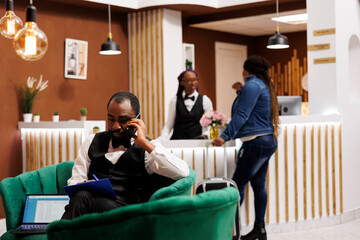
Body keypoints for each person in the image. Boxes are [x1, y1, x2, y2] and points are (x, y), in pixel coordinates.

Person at [62, 91, 189, 220]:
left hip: (128, 215)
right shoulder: (91, 141)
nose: (115, 126)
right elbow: (75, 181)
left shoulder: (147, 149)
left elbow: (182, 172)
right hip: (92, 210)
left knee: (82, 197)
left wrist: (145, 143)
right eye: (111, 119)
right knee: (81, 196)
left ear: (138, 119)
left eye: (123, 121)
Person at [212, 55, 279, 240]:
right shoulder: (262, 84)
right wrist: (240, 91)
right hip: (267, 141)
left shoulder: (251, 84)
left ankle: (231, 231)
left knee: (237, 185)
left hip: (255, 142)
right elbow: (254, 109)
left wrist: (224, 136)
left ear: (246, 70)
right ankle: (260, 229)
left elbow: (242, 114)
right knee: (259, 185)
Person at [159, 69, 213, 140]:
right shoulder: (174, 100)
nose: (193, 83)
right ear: (182, 82)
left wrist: (206, 134)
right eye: (189, 80)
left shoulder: (205, 100)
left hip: (197, 141)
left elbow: (209, 124)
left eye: (195, 80)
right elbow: (169, 124)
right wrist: (163, 137)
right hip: (177, 141)